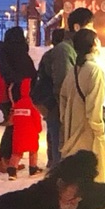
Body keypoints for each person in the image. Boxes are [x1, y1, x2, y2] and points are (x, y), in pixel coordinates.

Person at [59, 27, 105, 181]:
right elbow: (94, 107)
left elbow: (63, 98)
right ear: (94, 44)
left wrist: (66, 121)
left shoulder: (73, 71)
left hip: (72, 133)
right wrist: (99, 132)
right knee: (91, 178)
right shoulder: (95, 71)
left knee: (75, 179)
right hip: (88, 134)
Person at [0, 26, 38, 176]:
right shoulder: (11, 53)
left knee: (13, 127)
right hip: (13, 94)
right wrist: (19, 82)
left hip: (12, 93)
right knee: (12, 127)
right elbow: (10, 73)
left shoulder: (6, 52)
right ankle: (5, 161)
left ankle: (8, 161)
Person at [35, 24, 74, 168]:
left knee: (53, 133)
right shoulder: (60, 55)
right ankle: (56, 166)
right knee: (57, 135)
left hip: (47, 101)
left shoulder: (48, 55)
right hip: (54, 101)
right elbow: (60, 82)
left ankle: (52, 160)